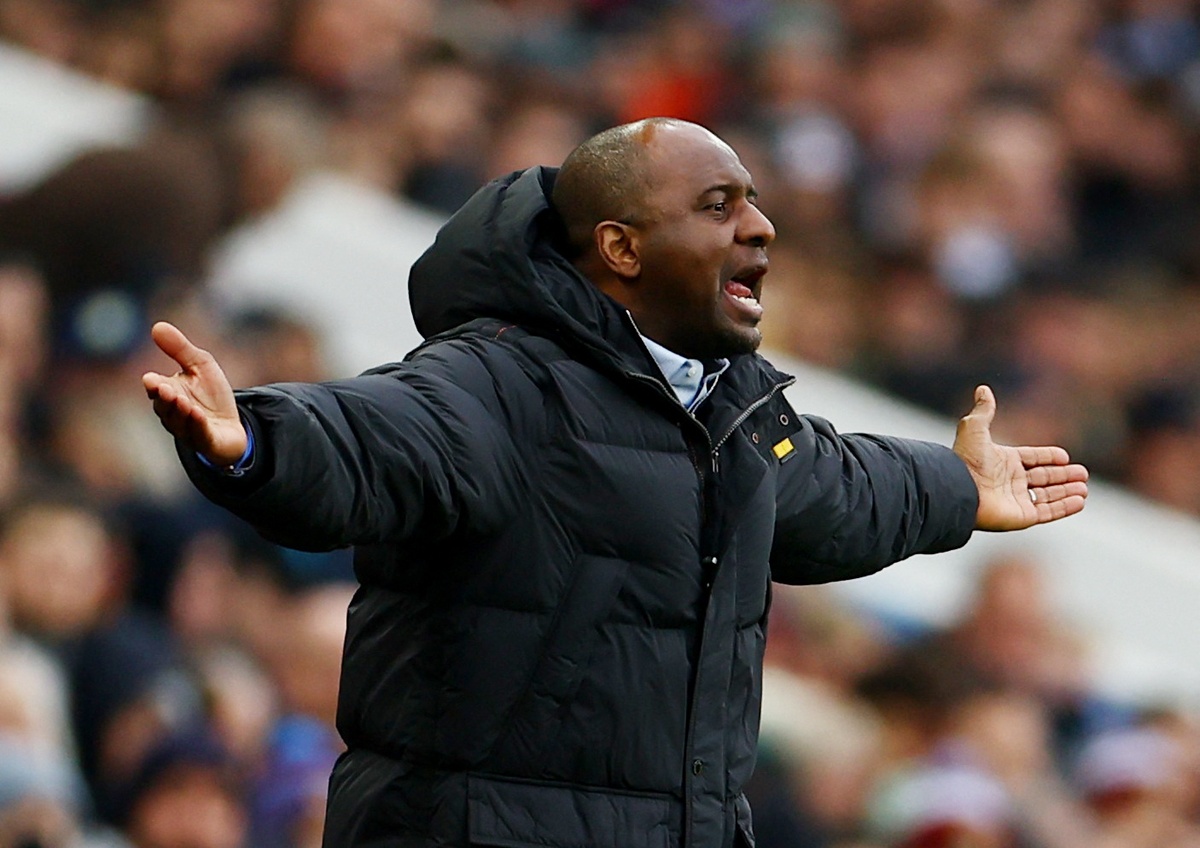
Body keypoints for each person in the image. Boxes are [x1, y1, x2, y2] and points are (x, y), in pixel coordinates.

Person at [142, 118, 1088, 848]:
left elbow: (838, 489)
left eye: (754, 202)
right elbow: (367, 435)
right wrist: (253, 439)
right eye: (718, 206)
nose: (760, 227)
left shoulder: (735, 409)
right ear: (621, 248)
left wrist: (955, 486)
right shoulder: (499, 379)